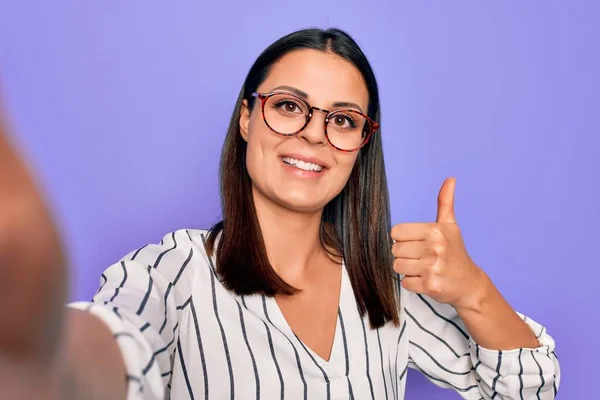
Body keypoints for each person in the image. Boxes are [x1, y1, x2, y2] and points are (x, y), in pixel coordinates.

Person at [0, 28, 560, 399]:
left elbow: (529, 390)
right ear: (246, 119)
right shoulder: (176, 271)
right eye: (289, 107)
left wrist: (474, 290)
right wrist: (38, 344)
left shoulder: (387, 286)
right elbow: (110, 346)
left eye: (342, 119)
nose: (315, 134)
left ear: (363, 143)